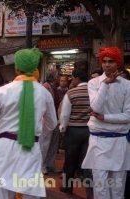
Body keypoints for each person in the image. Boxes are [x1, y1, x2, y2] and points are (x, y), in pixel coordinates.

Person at [0, 48, 57, 199]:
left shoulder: (2, 91)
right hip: (30, 148)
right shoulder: (44, 93)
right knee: (29, 193)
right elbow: (52, 124)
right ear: (35, 69)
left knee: (3, 193)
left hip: (5, 148)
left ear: (17, 68)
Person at [82, 47, 130, 199]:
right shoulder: (94, 83)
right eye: (104, 61)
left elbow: (128, 116)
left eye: (111, 61)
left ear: (118, 64)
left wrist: (104, 117)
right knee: (100, 187)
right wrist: (105, 84)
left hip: (119, 142)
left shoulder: (127, 85)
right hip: (98, 141)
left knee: (117, 188)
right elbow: (95, 107)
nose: (107, 65)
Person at [59, 69, 93, 198]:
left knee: (70, 160)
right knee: (87, 161)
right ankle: (90, 191)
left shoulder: (71, 92)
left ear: (77, 78)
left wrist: (63, 129)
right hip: (90, 130)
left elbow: (65, 114)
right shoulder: (94, 91)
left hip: (73, 131)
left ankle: (67, 187)